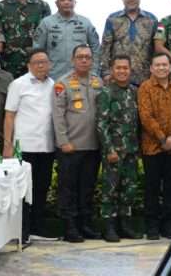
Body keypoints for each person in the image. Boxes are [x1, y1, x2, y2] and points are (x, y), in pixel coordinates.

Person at [3, 50, 56, 244]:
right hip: (24, 146)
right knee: (24, 191)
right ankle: (22, 231)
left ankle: (37, 228)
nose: (41, 65)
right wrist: (8, 145)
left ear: (50, 64)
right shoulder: (18, 84)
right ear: (29, 65)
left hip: (47, 146)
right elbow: (9, 115)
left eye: (44, 62)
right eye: (36, 62)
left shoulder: (53, 85)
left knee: (42, 188)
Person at [53, 45, 103, 242]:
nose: (84, 60)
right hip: (71, 147)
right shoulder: (62, 84)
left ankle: (85, 225)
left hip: (93, 146)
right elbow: (58, 116)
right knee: (68, 189)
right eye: (80, 57)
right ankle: (70, 227)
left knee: (87, 188)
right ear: (73, 60)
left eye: (88, 57)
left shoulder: (98, 82)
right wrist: (63, 141)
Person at [96, 55, 143, 242]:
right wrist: (109, 150)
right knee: (111, 189)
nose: (122, 71)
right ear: (112, 70)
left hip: (131, 150)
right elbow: (101, 124)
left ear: (130, 70)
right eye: (118, 68)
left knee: (129, 189)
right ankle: (109, 227)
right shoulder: (106, 92)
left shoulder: (134, 91)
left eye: (125, 68)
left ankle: (125, 225)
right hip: (114, 151)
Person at [138, 53, 171, 240]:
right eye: (158, 65)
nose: (162, 68)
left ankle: (168, 223)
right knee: (152, 188)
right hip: (152, 147)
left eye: (165, 65)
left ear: (170, 68)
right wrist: (163, 139)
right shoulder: (145, 88)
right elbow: (146, 117)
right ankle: (152, 225)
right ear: (151, 68)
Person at [0, 0, 51, 78]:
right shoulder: (1, 6)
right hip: (9, 61)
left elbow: (47, 35)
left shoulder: (42, 6)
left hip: (35, 61)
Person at [34, 0, 100, 81]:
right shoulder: (46, 23)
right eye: (62, 0)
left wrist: (93, 71)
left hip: (80, 76)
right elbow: (37, 51)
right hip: (53, 76)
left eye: (70, 0)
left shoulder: (85, 23)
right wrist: (40, 73)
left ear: (75, 2)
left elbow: (96, 49)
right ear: (56, 3)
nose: (66, 2)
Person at [100, 0, 158, 84]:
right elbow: (105, 48)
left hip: (145, 79)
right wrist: (105, 73)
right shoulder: (112, 19)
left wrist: (156, 73)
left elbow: (156, 49)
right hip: (117, 78)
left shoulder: (152, 19)